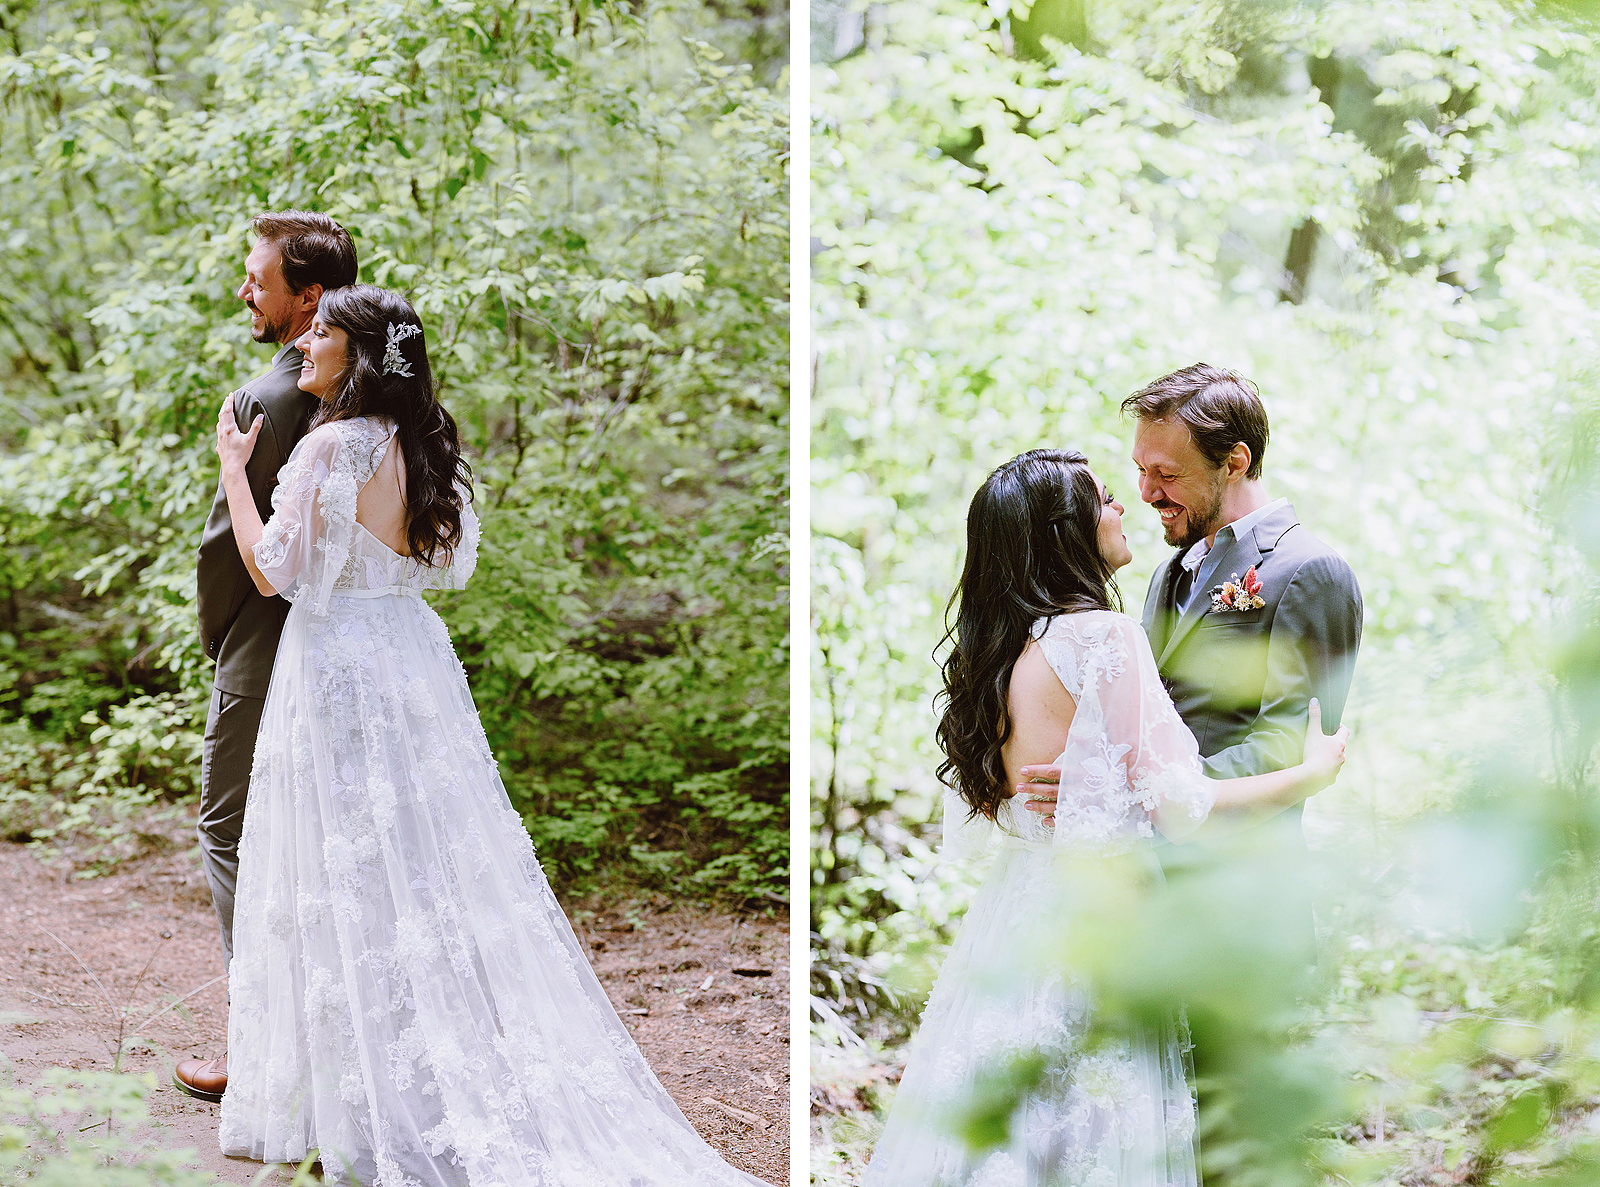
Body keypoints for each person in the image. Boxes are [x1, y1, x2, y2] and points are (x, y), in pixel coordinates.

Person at [208, 284, 770, 1186]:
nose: (306, 343)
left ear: (358, 357)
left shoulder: (328, 448)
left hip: (337, 668)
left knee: (339, 865)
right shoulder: (425, 445)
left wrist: (236, 469)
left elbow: (275, 574)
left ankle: (357, 1106)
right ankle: (400, 1089)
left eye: (324, 333)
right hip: (410, 662)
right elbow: (448, 567)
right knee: (415, 872)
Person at [862, 449, 1348, 1186]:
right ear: (1067, 530)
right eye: (1110, 498)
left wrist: (1098, 783)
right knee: (1094, 1127)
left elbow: (1009, 798)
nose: (1129, 508)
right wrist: (1312, 772)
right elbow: (1181, 805)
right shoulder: (1102, 636)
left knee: (1014, 1114)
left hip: (1014, 917)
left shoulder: (1000, 652)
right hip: (1100, 920)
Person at [179, 210, 358, 1104]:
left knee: (230, 828)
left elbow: (229, 556)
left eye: (258, 277)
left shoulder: (267, 400)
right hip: (356, 647)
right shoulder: (371, 397)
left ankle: (264, 1051)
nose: (244, 290)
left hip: (264, 638)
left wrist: (220, 642)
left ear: (309, 295)